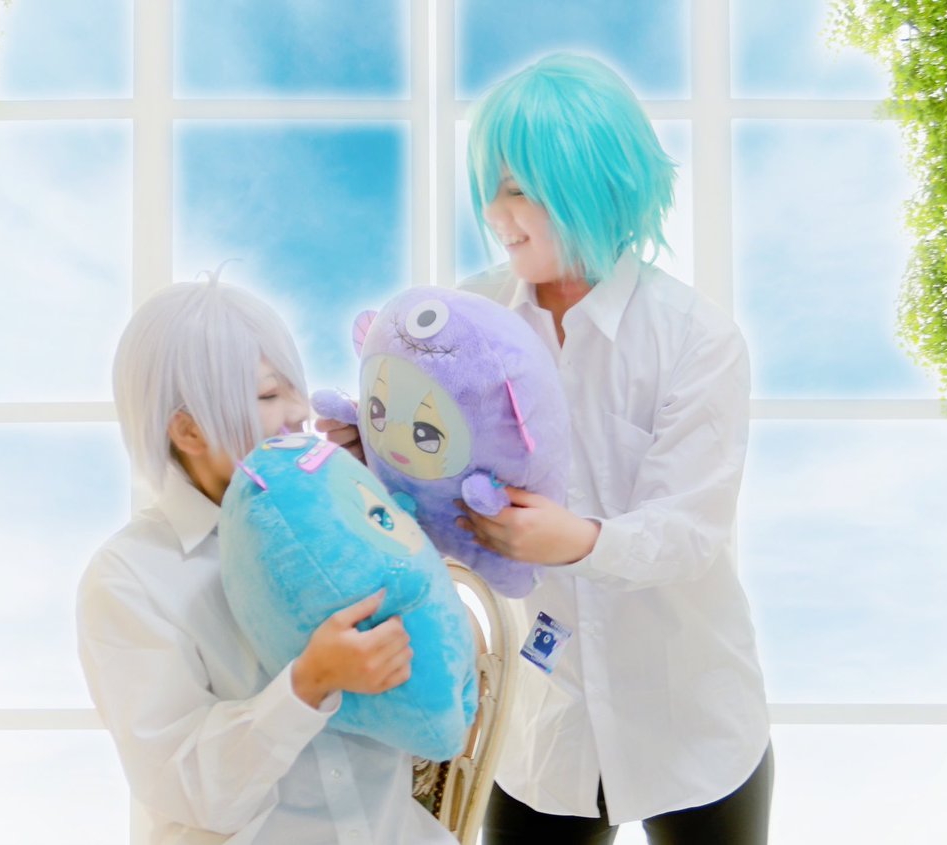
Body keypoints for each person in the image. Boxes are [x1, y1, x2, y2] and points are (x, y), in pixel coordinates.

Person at [319, 52, 772, 845]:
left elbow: (690, 531)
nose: (495, 213)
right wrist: (377, 459)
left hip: (692, 718)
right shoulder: (469, 317)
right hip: (545, 728)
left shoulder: (696, 339)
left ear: (590, 184)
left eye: (517, 189)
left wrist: (579, 540)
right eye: (490, 189)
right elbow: (434, 489)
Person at [77, 277, 456, 845]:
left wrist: (381, 497)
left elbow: (436, 663)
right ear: (188, 429)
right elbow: (184, 788)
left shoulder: (342, 514)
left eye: (294, 388)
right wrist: (307, 685)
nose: (300, 412)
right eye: (267, 395)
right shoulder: (129, 578)